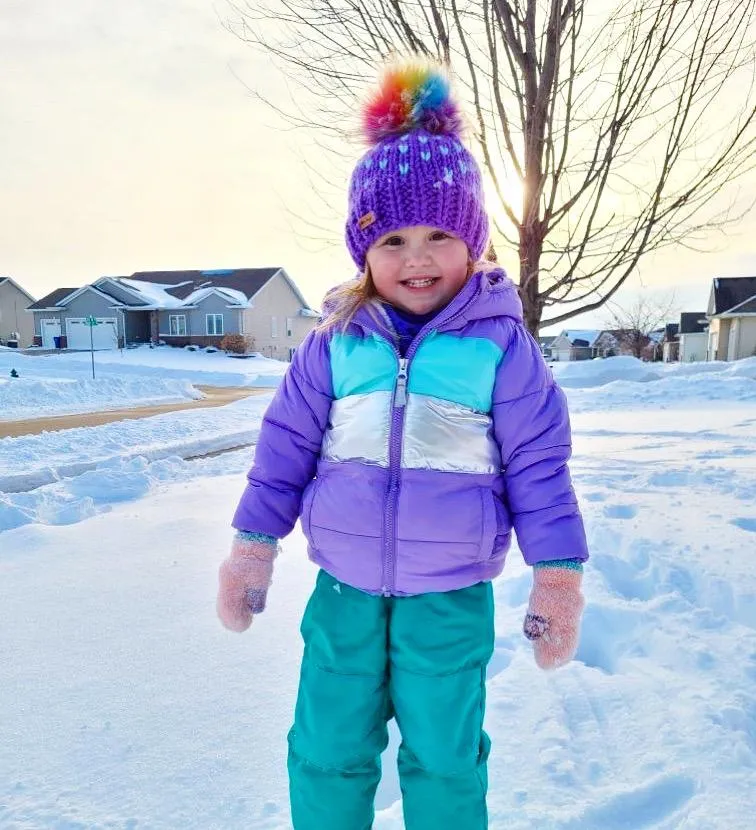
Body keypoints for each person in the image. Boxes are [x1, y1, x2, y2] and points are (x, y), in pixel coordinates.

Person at [217, 61, 588, 830]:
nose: (416, 258)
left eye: (439, 234)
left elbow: (539, 470)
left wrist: (557, 576)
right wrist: (253, 546)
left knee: (445, 757)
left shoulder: (500, 348)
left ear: (473, 241)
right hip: (343, 594)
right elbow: (283, 449)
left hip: (448, 598)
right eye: (392, 238)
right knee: (324, 748)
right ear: (363, 250)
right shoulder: (335, 343)